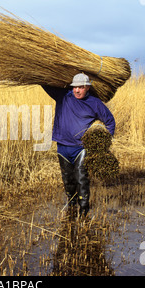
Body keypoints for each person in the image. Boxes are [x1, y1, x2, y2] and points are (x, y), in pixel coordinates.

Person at [42, 73, 115, 216]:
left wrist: (103, 143)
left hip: (81, 148)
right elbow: (44, 82)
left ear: (87, 87)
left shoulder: (95, 103)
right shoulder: (63, 96)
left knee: (81, 178)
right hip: (62, 146)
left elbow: (110, 122)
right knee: (67, 179)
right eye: (75, 87)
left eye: (81, 87)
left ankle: (84, 210)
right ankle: (71, 204)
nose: (77, 90)